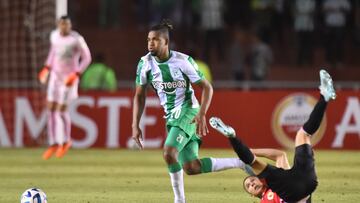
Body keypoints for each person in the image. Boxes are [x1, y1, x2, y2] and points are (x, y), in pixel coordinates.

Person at [132, 20, 250, 203]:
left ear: (166, 42)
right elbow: (139, 95)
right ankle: (240, 162)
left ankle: (179, 201)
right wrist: (135, 124)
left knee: (169, 153)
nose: (150, 43)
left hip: (188, 111)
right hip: (171, 117)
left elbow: (207, 87)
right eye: (148, 40)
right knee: (191, 167)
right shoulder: (144, 64)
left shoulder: (183, 61)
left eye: (155, 40)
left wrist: (202, 113)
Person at [210, 69, 336, 202]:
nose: (252, 184)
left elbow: (280, 155)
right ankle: (232, 137)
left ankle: (325, 96)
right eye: (249, 186)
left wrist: (251, 151)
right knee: (255, 161)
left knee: (303, 134)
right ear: (252, 195)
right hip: (306, 186)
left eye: (251, 180)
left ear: (260, 180)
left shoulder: (273, 181)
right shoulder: (266, 197)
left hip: (303, 181)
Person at [38, 15, 91, 160]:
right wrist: (46, 68)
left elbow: (87, 57)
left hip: (69, 78)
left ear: (70, 25)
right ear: (58, 25)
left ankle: (66, 141)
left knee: (61, 111)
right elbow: (53, 53)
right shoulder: (54, 36)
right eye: (62, 24)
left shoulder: (76, 39)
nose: (65, 27)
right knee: (50, 109)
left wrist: (77, 74)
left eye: (67, 24)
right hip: (55, 76)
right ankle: (54, 143)